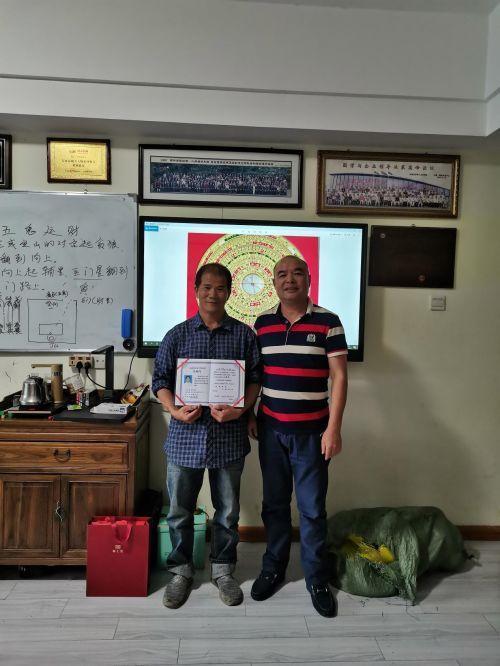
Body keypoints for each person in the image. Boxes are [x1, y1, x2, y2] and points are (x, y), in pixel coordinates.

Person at [152, 263, 261, 609]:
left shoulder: (244, 335)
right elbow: (160, 381)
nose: (213, 294)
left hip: (228, 437)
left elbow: (255, 379)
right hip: (185, 438)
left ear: (230, 292)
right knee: (179, 511)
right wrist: (173, 409)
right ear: (196, 290)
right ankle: (181, 571)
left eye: (220, 288)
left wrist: (240, 410)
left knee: (227, 513)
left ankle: (224, 571)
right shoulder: (177, 335)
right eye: (207, 287)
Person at [249, 255, 348, 618]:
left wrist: (333, 428)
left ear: (308, 278)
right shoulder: (262, 323)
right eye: (281, 274)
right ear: (273, 282)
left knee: (311, 509)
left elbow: (339, 377)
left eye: (296, 273)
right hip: (271, 430)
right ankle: (273, 567)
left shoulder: (328, 322)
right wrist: (250, 413)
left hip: (312, 434)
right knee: (274, 505)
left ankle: (316, 579)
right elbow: (256, 376)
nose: (289, 279)